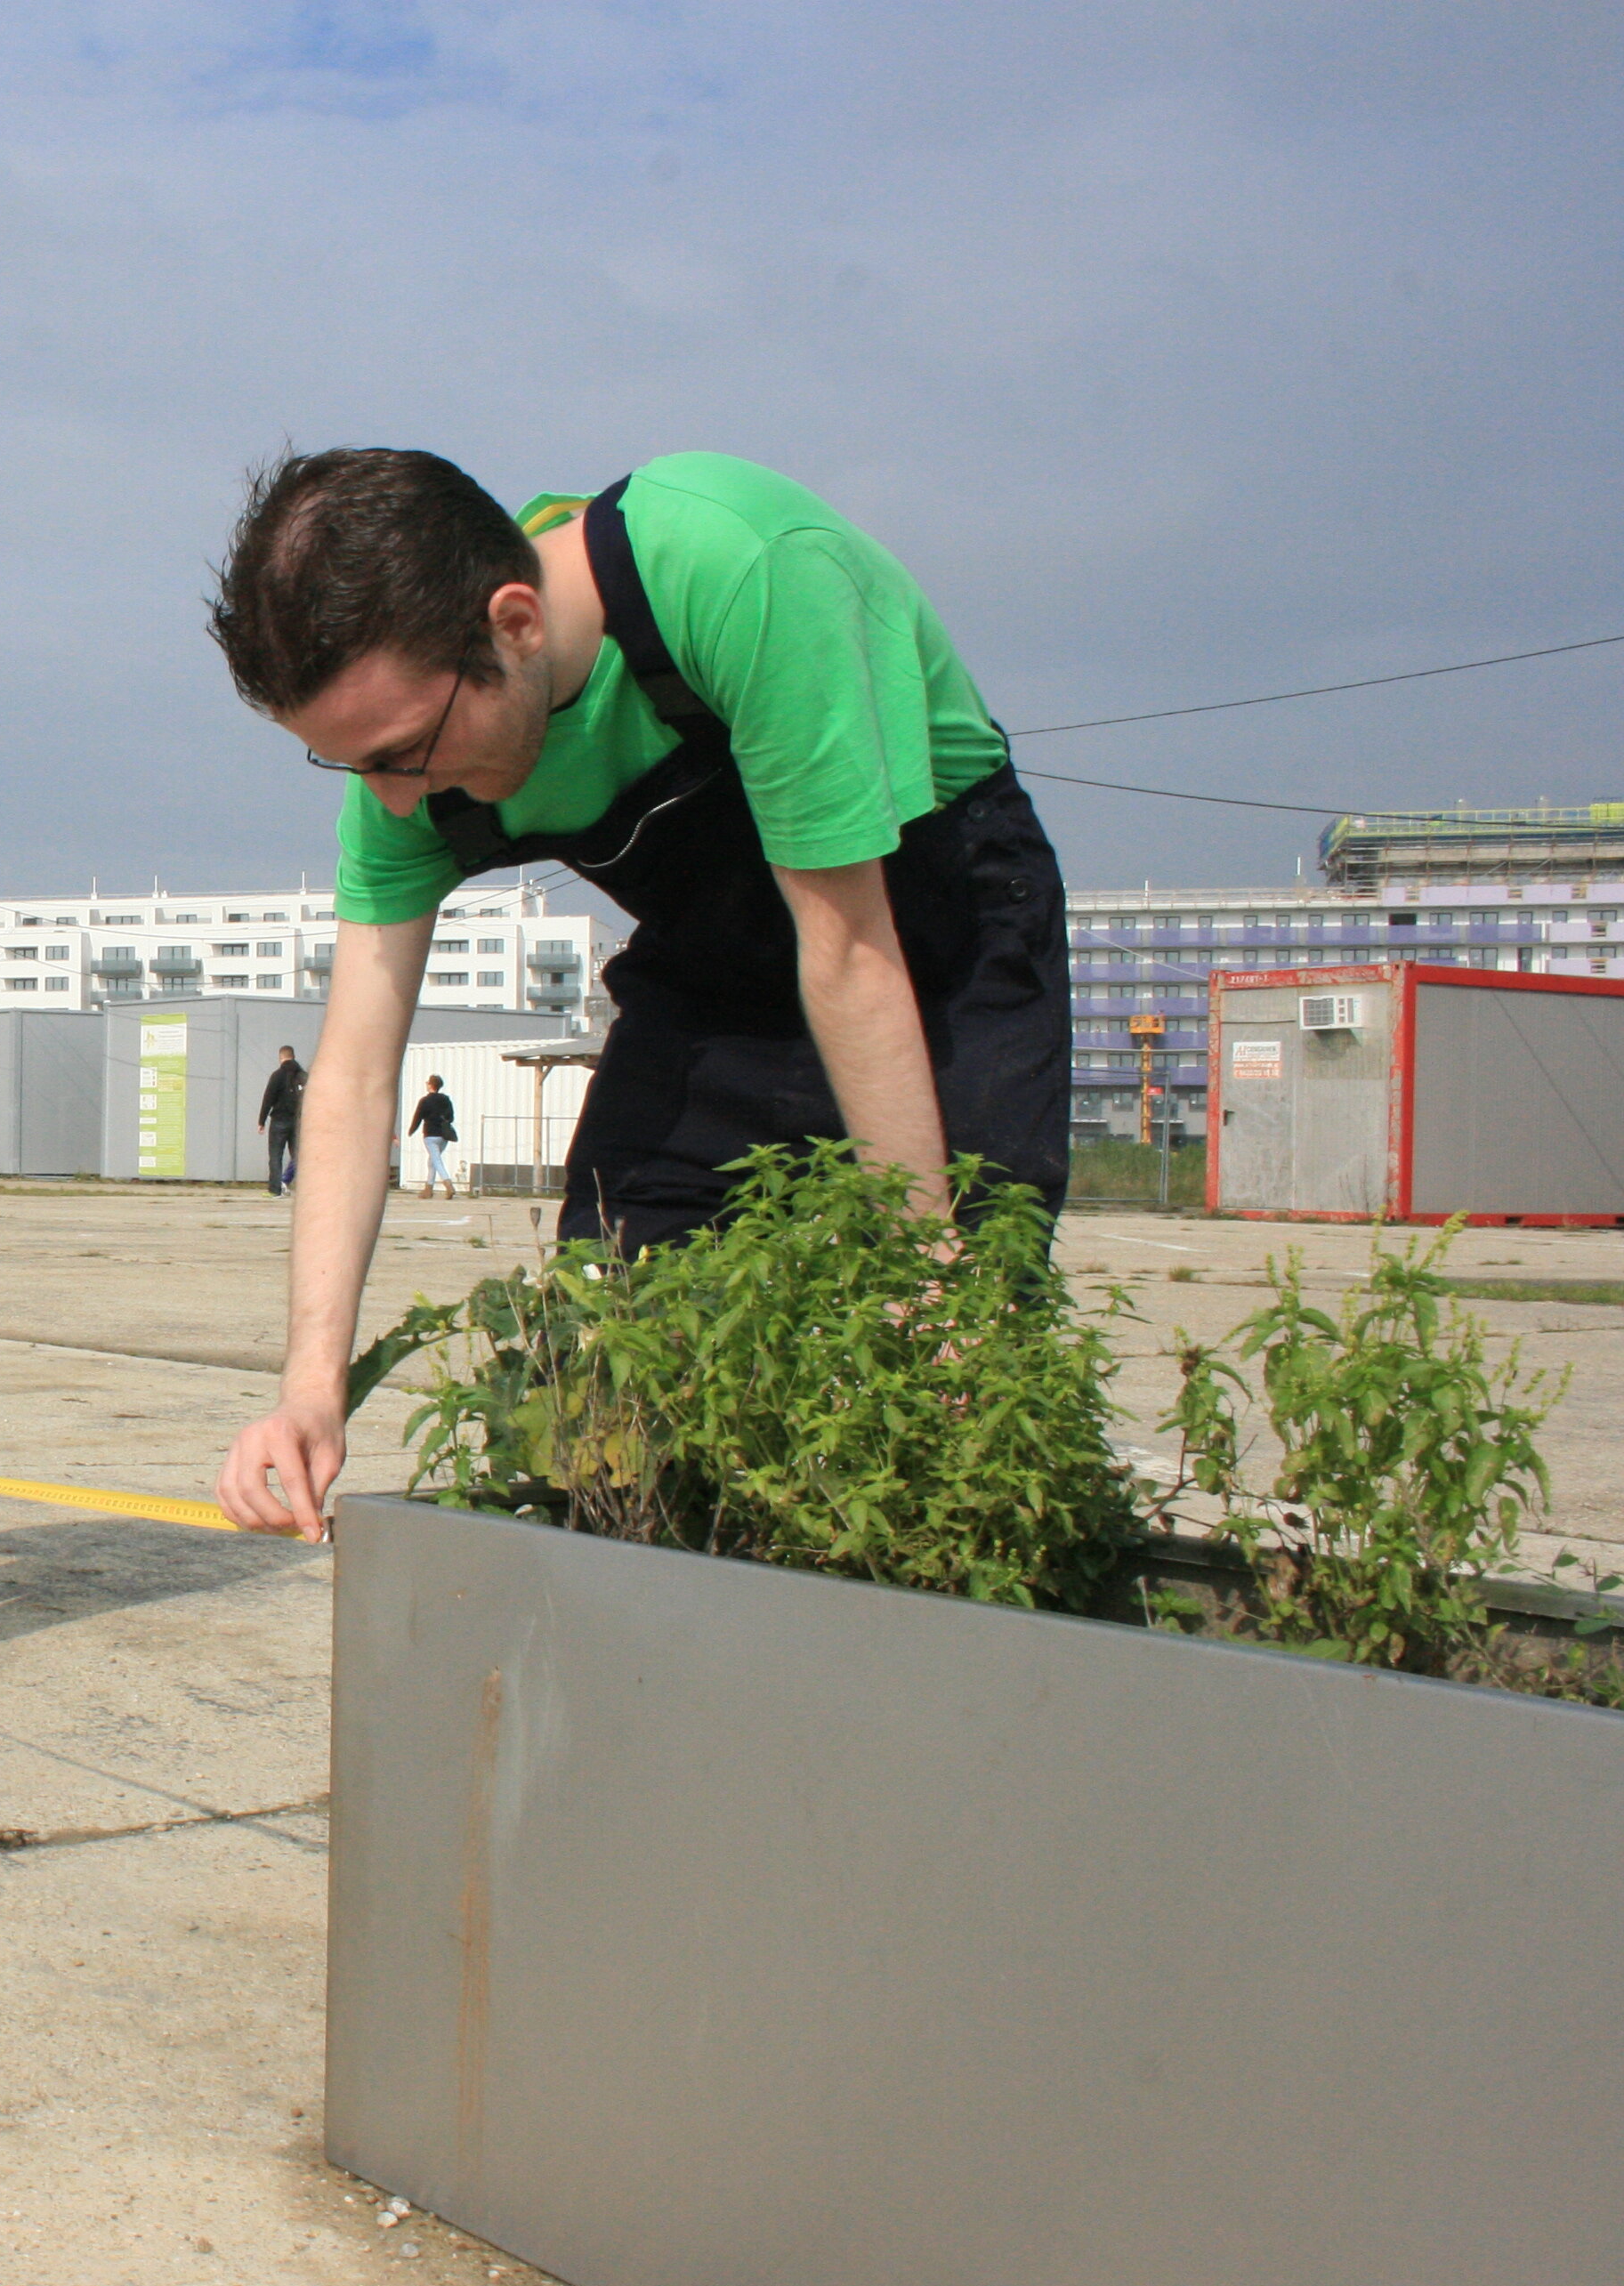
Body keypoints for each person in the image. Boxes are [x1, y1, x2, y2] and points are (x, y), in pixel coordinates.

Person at [202, 449, 1070, 1538]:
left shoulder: (734, 569)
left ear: (514, 625)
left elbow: (849, 951)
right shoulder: (405, 774)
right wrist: (312, 1390)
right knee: (616, 1335)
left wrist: (929, 1275)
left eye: (403, 752)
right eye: (347, 766)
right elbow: (357, 1074)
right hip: (718, 959)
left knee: (953, 1362)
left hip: (926, 927)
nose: (391, 798)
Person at [257, 1045, 304, 1195]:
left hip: (279, 1121)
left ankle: (275, 1190)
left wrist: (261, 1121)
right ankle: (307, 1191)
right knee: (299, 1155)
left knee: (276, 1156)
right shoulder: (303, 1076)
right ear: (293, 1056)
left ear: (281, 1057)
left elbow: (268, 1098)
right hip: (298, 1121)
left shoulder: (277, 1075)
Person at [408, 1073, 457, 1198]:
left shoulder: (425, 1101)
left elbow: (417, 1117)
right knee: (432, 1161)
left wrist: (411, 1130)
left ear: (430, 1085)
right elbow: (451, 1117)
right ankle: (428, 1189)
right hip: (444, 1135)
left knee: (436, 1160)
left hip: (430, 1135)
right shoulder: (446, 1100)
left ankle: (448, 1184)